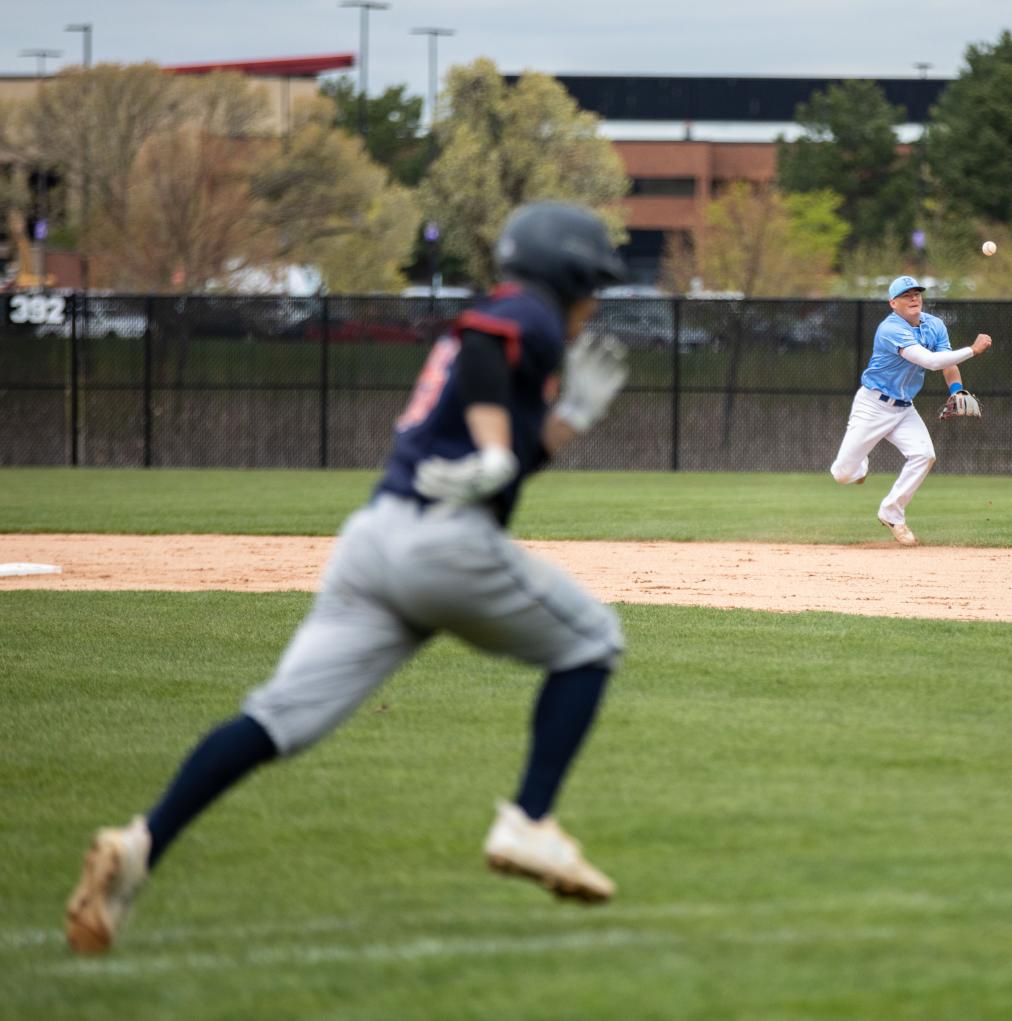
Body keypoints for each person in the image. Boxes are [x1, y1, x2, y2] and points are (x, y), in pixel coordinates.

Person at [65, 201, 633, 955]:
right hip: (441, 543)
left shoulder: (519, 324)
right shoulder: (522, 311)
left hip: (373, 541)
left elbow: (497, 448)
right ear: (563, 275)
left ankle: (142, 842)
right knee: (593, 640)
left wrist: (561, 428)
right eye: (590, 284)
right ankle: (529, 819)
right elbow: (484, 350)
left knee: (275, 718)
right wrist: (500, 447)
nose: (592, 302)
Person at [829, 275, 991, 546]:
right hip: (873, 405)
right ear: (893, 303)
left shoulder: (935, 325)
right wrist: (973, 350)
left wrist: (956, 390)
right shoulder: (890, 328)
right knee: (842, 474)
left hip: (904, 408)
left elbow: (946, 364)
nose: (914, 298)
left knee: (924, 455)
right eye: (906, 295)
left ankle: (892, 511)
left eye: (917, 293)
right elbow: (928, 361)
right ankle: (860, 464)